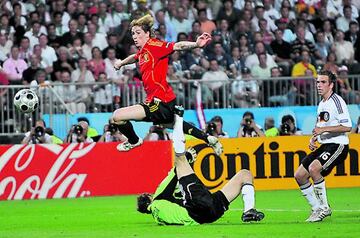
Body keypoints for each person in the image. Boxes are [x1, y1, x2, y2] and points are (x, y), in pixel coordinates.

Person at [112, 14, 222, 155]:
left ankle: (133, 141)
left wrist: (195, 44)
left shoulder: (155, 45)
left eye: (138, 33)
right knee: (175, 124)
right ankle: (209, 139)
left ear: (147, 34)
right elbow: (135, 57)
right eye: (133, 33)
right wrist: (121, 63)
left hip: (159, 101)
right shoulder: (143, 51)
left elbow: (177, 46)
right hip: (163, 100)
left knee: (117, 116)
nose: (134, 36)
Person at [137, 106, 264, 225]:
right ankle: (179, 119)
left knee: (244, 175)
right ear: (149, 197)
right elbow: (173, 175)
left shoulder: (159, 217)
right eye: (149, 194)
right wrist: (187, 159)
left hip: (206, 214)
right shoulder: (158, 198)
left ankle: (249, 213)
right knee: (180, 159)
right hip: (198, 208)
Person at [294, 70, 352, 222]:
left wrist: (323, 130)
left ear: (331, 85)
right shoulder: (322, 104)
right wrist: (314, 139)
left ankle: (324, 208)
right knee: (299, 175)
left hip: (338, 145)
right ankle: (316, 209)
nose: (319, 85)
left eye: (323, 82)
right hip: (325, 144)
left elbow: (347, 127)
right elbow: (320, 125)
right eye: (318, 82)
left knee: (314, 169)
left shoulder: (337, 101)